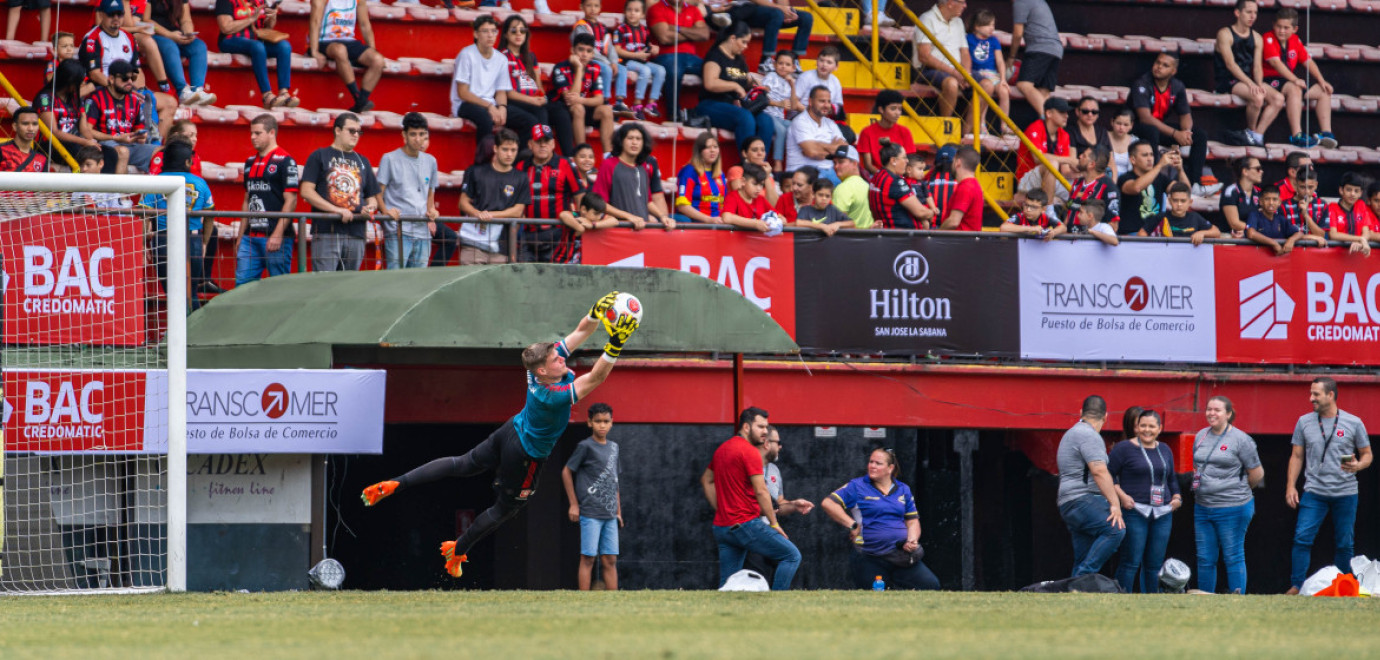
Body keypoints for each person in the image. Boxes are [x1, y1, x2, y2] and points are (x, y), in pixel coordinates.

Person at [361, 293, 641, 579]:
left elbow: (582, 330)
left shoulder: (540, 371)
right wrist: (616, 342)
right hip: (526, 454)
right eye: (557, 358)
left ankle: (395, 483)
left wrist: (595, 312)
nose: (562, 357)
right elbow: (596, 378)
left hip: (511, 431)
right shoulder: (552, 395)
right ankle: (457, 550)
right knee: (505, 509)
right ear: (543, 370)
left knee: (463, 463)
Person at [1286, 377, 1372, 594]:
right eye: (1311, 393)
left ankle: (1343, 586)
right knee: (1302, 538)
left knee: (1344, 543)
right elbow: (1296, 455)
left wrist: (1358, 465)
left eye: (1316, 394)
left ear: (1330, 395)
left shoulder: (1353, 422)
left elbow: (1367, 454)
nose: (1310, 398)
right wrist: (1291, 486)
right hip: (1314, 492)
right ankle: (1296, 586)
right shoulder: (1304, 422)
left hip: (1346, 492)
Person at [700, 407, 801, 591]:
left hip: (723, 528)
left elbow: (706, 480)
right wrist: (774, 523)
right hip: (745, 525)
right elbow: (761, 491)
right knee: (791, 556)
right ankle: (778, 604)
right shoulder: (750, 451)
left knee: (728, 585)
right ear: (746, 427)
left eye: (766, 427)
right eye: (760, 427)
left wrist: (720, 509)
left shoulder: (722, 450)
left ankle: (724, 617)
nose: (765, 432)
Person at [821, 448, 939, 590]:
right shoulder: (857, 486)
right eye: (871, 462)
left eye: (878, 463)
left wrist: (912, 540)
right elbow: (828, 503)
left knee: (931, 586)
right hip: (870, 556)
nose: (872, 466)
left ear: (890, 468)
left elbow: (912, 520)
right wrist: (852, 525)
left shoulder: (903, 489)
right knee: (874, 598)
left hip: (901, 556)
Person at [1193, 396, 1263, 595]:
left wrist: (1234, 491)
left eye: (1217, 410)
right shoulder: (1201, 436)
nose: (1212, 413)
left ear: (1229, 414)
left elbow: (1257, 474)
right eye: (1209, 409)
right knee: (1205, 557)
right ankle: (1205, 598)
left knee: (1232, 555)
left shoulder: (1241, 440)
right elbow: (1198, 466)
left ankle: (1236, 598)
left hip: (1233, 507)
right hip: (1203, 506)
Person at [1108, 409, 1181, 593]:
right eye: (1143, 426)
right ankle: (1122, 597)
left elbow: (1171, 479)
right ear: (1136, 427)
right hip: (1134, 511)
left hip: (1162, 513)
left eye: (1151, 426)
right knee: (1131, 561)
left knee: (1155, 563)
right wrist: (1122, 496)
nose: (1147, 430)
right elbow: (1108, 476)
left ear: (1159, 428)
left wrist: (1177, 497)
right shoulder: (1123, 448)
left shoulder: (1165, 449)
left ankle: (1152, 601)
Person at [299, 112, 381, 272]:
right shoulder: (319, 155)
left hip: (357, 232)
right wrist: (337, 210)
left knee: (349, 286)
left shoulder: (363, 160)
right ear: (337, 130)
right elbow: (306, 191)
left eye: (359, 131)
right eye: (351, 131)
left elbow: (373, 198)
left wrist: (369, 208)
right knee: (325, 284)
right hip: (326, 231)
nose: (356, 135)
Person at [140, 139, 214, 311]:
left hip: (164, 239)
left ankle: (175, 335)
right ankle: (193, 334)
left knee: (171, 295)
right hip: (192, 240)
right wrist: (204, 242)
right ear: (187, 161)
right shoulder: (200, 183)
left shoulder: (156, 181)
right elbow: (210, 215)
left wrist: (144, 242)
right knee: (191, 293)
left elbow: (144, 214)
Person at [1056, 395, 1126, 577]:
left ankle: (1076, 592)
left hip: (1067, 502)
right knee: (1115, 529)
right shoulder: (1089, 435)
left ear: (1081, 413)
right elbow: (1099, 471)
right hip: (1082, 498)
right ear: (1105, 417)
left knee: (1083, 555)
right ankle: (1082, 577)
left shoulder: (1070, 433)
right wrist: (1115, 504)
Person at [1130, 54, 1217, 197]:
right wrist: (1175, 134)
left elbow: (1185, 115)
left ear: (1173, 71)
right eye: (1157, 63)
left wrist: (1186, 132)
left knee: (1200, 135)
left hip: (1159, 127)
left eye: (1165, 65)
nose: (1159, 67)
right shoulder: (1142, 83)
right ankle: (1154, 182)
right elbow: (1145, 118)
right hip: (1137, 126)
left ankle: (1194, 184)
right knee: (1152, 131)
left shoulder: (1177, 86)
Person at [562, 402, 622, 591]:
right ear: (589, 423)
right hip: (590, 512)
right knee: (588, 558)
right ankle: (584, 598)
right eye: (598, 421)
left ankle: (614, 601)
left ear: (612, 423)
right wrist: (574, 504)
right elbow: (566, 471)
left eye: (606, 421)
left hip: (610, 514)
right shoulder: (585, 446)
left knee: (610, 559)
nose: (602, 425)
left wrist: (619, 511)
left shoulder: (614, 448)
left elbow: (615, 481)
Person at [236, 114, 298, 285]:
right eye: (251, 133)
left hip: (276, 237)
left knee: (278, 289)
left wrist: (278, 234)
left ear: (272, 133)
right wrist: (241, 236)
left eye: (257, 133)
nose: (252, 137)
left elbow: (291, 200)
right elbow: (247, 199)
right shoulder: (249, 162)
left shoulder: (286, 161)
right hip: (250, 237)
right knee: (241, 287)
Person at [1264, 8, 1337, 149]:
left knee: (1323, 90)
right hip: (1270, 81)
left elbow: (1308, 61)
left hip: (1288, 81)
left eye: (1286, 28)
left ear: (1295, 29)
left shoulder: (1295, 40)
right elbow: (1275, 63)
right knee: (1295, 87)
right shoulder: (1267, 38)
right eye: (1279, 26)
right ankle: (1297, 134)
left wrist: (1321, 80)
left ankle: (1326, 133)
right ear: (1273, 25)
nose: (1281, 31)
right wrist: (1295, 79)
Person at [500, 15, 572, 158]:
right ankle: (538, 157)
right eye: (514, 31)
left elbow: (537, 83)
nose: (519, 34)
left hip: (532, 100)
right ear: (506, 34)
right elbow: (506, 92)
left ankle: (568, 157)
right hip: (513, 100)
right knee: (539, 112)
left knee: (560, 111)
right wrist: (533, 101)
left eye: (522, 31)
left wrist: (542, 96)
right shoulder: (501, 56)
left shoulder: (530, 56)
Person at [697, 22, 774, 154]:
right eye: (743, 42)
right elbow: (710, 83)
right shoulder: (715, 56)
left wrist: (756, 86)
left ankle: (759, 164)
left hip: (734, 106)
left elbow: (745, 80)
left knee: (766, 121)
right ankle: (747, 163)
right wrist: (734, 85)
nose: (746, 46)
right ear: (732, 38)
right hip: (711, 104)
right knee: (745, 117)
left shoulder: (739, 60)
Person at [1214, 0, 1282, 148]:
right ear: (1238, 13)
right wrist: (1251, 84)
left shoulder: (1257, 37)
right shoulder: (1225, 34)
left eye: (1255, 13)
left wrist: (1258, 83)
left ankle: (1257, 135)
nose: (1253, 16)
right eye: (1249, 12)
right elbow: (1230, 65)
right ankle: (1251, 131)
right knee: (1258, 97)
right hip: (1227, 80)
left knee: (1278, 98)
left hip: (1246, 79)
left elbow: (1257, 67)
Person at [378, 112, 440, 270]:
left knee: (419, 284)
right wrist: (385, 211)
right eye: (413, 134)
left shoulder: (431, 161)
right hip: (398, 230)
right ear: (404, 135)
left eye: (421, 134)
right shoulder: (389, 158)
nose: (418, 139)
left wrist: (432, 211)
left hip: (423, 231)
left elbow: (430, 194)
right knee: (395, 282)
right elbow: (378, 193)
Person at [517, 125, 589, 264]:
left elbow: (580, 196)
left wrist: (580, 222)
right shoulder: (521, 167)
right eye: (538, 141)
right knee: (523, 280)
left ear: (553, 144)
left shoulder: (566, 164)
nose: (543, 145)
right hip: (528, 236)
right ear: (530, 144)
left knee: (554, 280)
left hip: (558, 236)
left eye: (547, 141)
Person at [458, 128, 530, 264]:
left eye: (513, 150)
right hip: (473, 244)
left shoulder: (521, 177)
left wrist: (489, 215)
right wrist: (478, 213)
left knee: (499, 285)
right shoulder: (475, 172)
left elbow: (518, 211)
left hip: (503, 246)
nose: (509, 154)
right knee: (471, 285)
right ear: (495, 148)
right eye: (505, 149)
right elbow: (463, 202)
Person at [79, 59, 159, 173]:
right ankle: (118, 191)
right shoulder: (96, 98)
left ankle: (154, 191)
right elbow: (87, 131)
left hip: (129, 145)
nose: (130, 82)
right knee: (123, 152)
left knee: (162, 151)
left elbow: (139, 128)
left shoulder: (134, 100)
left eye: (132, 78)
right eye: (125, 79)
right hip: (103, 146)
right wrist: (115, 138)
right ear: (111, 79)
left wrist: (140, 137)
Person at [217, 0, 296, 108]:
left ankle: (284, 92)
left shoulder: (261, 1)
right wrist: (251, 19)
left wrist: (272, 17)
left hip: (256, 40)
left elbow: (267, 28)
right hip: (231, 40)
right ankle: (266, 95)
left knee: (284, 47)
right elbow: (225, 27)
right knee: (257, 47)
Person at [594, 123, 675, 230]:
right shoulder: (609, 165)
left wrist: (663, 217)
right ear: (621, 141)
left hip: (642, 232)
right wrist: (629, 217)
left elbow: (648, 202)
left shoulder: (643, 168)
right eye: (630, 138)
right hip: (618, 232)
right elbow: (599, 203)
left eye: (638, 139)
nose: (634, 142)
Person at [549, 33, 618, 158]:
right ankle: (582, 155)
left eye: (588, 51)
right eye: (581, 50)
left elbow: (599, 99)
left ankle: (609, 157)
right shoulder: (560, 68)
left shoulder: (595, 68)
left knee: (606, 110)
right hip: (562, 111)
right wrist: (580, 69)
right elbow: (570, 100)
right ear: (573, 51)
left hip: (581, 107)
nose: (584, 54)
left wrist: (580, 99)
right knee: (578, 108)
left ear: (593, 54)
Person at [308, 0, 383, 113]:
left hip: (348, 40)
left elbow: (365, 24)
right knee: (340, 50)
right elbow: (315, 21)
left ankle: (360, 102)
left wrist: (372, 49)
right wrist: (314, 51)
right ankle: (358, 97)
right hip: (324, 40)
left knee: (378, 60)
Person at [452, 16, 513, 148]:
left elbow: (501, 91)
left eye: (493, 31)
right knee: (486, 119)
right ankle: (482, 163)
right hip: (465, 104)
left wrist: (502, 108)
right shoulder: (466, 54)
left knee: (527, 119)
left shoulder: (501, 59)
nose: (490, 35)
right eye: (485, 31)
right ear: (476, 34)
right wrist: (489, 106)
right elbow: (462, 93)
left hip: (490, 103)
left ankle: (520, 163)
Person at [144, 0, 214, 106]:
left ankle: (197, 91)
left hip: (175, 34)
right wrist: (168, 34)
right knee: (170, 46)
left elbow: (185, 19)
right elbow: (146, 20)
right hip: (155, 33)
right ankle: (183, 92)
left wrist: (188, 33)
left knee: (199, 46)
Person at [649, 0, 712, 113]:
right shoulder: (656, 8)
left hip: (691, 57)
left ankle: (706, 112)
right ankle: (674, 114)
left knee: (712, 69)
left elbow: (704, 34)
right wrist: (692, 33)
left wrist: (677, 28)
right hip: (666, 56)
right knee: (675, 69)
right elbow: (664, 37)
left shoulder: (693, 10)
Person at [912, 0, 969, 120]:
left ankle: (969, 132)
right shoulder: (927, 19)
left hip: (957, 69)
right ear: (950, 3)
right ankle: (945, 126)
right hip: (929, 70)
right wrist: (954, 73)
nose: (965, 6)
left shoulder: (958, 21)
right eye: (962, 2)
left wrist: (966, 74)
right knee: (951, 84)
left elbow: (965, 52)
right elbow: (924, 56)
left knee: (987, 85)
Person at [1117, 141, 1187, 236]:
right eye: (1145, 155)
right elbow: (1136, 187)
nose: (1150, 159)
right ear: (1133, 160)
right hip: (1131, 235)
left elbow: (1185, 191)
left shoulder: (1160, 177)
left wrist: (1180, 170)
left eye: (1151, 155)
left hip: (1156, 234)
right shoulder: (1125, 178)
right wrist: (1159, 165)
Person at [1016, 96, 1077, 204]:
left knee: (1082, 192)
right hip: (1027, 179)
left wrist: (1080, 171)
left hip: (1050, 181)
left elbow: (1065, 170)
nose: (1066, 116)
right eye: (1062, 112)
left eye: (1067, 112)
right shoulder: (1035, 128)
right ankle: (1048, 209)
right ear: (1049, 113)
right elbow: (1038, 158)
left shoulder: (1064, 135)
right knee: (1052, 164)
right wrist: (1069, 160)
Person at [612, 0, 666, 121]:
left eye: (636, 11)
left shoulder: (645, 30)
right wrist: (636, 55)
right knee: (645, 71)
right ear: (625, 12)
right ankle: (637, 104)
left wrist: (653, 49)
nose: (632, 13)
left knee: (661, 70)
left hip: (641, 60)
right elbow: (617, 50)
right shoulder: (620, 29)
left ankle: (651, 103)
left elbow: (646, 47)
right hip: (626, 62)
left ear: (642, 14)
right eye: (629, 10)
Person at [726, 0, 812, 75]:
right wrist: (780, 9)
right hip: (747, 10)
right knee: (777, 14)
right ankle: (765, 61)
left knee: (806, 18)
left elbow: (783, 3)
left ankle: (794, 60)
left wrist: (788, 13)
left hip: (771, 12)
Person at [1009, 0, 1062, 116]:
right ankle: (1048, 130)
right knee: (1044, 92)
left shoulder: (1020, 2)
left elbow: (1018, 33)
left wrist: (1011, 57)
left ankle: (1052, 120)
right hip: (1056, 49)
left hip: (1040, 47)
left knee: (1023, 84)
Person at [786, 86, 848, 185]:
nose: (826, 105)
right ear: (810, 102)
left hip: (830, 171)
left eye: (828, 101)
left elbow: (845, 150)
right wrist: (833, 148)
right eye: (822, 101)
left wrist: (820, 148)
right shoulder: (800, 121)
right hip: (804, 173)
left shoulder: (830, 123)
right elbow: (812, 152)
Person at [869, 140, 935, 230]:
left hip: (887, 233)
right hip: (903, 237)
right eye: (904, 157)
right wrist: (931, 212)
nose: (907, 161)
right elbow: (920, 212)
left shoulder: (876, 176)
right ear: (893, 161)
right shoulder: (895, 181)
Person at [966, 10, 1011, 138]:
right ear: (977, 26)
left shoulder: (993, 40)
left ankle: (1004, 125)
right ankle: (981, 124)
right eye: (988, 25)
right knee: (986, 90)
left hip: (992, 73)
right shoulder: (968, 38)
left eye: (993, 25)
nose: (992, 28)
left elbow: (1000, 61)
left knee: (1004, 91)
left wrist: (1002, 79)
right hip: (977, 73)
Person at [793, 47, 848, 142]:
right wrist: (813, 114)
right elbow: (794, 102)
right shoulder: (805, 77)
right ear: (816, 61)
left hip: (823, 120)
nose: (824, 65)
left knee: (847, 135)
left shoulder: (835, 81)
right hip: (801, 116)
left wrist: (830, 110)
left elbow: (838, 107)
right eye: (821, 60)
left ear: (836, 67)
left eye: (829, 62)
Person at [1138, 182, 1221, 246]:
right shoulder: (1160, 217)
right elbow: (1141, 233)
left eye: (1183, 201)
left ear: (1190, 202)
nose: (1179, 204)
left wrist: (1202, 233)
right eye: (1175, 200)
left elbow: (1216, 232)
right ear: (1169, 201)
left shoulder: (1195, 217)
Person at [1244, 185, 1319, 255]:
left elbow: (1299, 233)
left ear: (1279, 202)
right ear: (1260, 201)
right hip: (1256, 260)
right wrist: (1273, 243)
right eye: (1267, 199)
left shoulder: (1281, 219)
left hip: (1277, 262)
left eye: (1274, 199)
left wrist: (1291, 240)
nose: (1271, 203)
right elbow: (1251, 234)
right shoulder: (1254, 215)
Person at [857, 90, 916, 178]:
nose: (897, 113)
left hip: (901, 176)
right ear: (881, 109)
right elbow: (868, 165)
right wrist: (886, 177)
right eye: (893, 108)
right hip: (876, 176)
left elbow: (909, 160)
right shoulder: (867, 132)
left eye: (899, 109)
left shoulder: (905, 132)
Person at [761, 51, 803, 170]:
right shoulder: (771, 77)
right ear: (774, 64)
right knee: (781, 130)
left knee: (794, 127)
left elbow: (794, 106)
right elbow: (762, 97)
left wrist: (793, 85)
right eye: (780, 63)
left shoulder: (789, 82)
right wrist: (778, 103)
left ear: (793, 68)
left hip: (779, 117)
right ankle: (778, 163)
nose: (783, 66)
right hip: (767, 114)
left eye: (787, 64)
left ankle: (795, 163)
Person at [572, 0, 617, 110]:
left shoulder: (603, 27)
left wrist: (614, 62)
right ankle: (605, 100)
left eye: (596, 6)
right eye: (589, 5)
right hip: (591, 59)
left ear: (600, 7)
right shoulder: (581, 26)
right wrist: (608, 63)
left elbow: (610, 47)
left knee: (622, 69)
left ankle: (619, 101)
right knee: (607, 69)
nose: (593, 9)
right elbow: (588, 49)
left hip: (605, 60)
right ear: (581, 7)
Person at [674, 132, 728, 224]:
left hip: (719, 224)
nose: (712, 150)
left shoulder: (720, 174)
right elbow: (682, 206)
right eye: (707, 147)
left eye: (715, 147)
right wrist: (709, 219)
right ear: (699, 151)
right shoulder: (689, 171)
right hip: (696, 224)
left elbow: (724, 205)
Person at [1065, 145, 1120, 232]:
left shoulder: (1108, 187)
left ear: (1091, 164)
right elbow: (1069, 215)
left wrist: (1090, 236)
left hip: (1090, 243)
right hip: (1070, 241)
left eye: (1084, 155)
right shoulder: (1077, 183)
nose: (1080, 156)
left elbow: (1113, 226)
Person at [1325, 173, 1376, 256]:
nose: (1352, 194)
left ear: (1360, 193)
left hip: (1357, 255)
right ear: (1341, 190)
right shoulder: (1332, 207)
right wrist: (1360, 239)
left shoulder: (1361, 205)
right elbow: (1333, 235)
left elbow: (1366, 232)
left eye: (1356, 191)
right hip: (1336, 255)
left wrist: (1361, 242)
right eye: (1349, 190)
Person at [938, 146, 983, 231]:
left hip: (960, 242)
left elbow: (953, 222)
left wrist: (936, 234)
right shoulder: (974, 185)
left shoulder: (966, 187)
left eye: (953, 161)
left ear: (958, 162)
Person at [721, 164, 776, 232]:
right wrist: (755, 223)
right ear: (743, 181)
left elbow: (780, 217)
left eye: (761, 184)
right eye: (755, 184)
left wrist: (775, 222)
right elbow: (727, 217)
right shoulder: (732, 196)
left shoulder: (761, 199)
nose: (759, 189)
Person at [831, 146, 875, 229]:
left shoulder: (843, 188)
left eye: (841, 162)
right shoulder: (868, 185)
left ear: (855, 164)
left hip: (848, 240)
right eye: (834, 163)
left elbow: (837, 223)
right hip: (868, 239)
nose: (836, 166)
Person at [1278, 166, 1328, 237]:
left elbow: (1321, 235)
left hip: (1314, 248)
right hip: (1293, 248)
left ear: (1316, 185)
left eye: (1310, 187)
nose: (1307, 191)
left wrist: (1305, 214)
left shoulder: (1322, 205)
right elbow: (1283, 235)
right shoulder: (1283, 206)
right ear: (1296, 185)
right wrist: (1308, 237)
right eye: (1302, 187)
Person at [1219, 156, 1262, 237]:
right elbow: (1234, 224)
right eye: (1258, 169)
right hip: (1231, 237)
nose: (1261, 171)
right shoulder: (1231, 192)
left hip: (1253, 235)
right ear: (1245, 171)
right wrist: (1257, 229)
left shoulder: (1259, 193)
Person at [736, 136, 783, 205]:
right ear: (744, 153)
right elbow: (740, 199)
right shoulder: (737, 170)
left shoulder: (767, 173)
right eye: (755, 150)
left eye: (763, 150)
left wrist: (766, 176)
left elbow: (774, 204)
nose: (760, 153)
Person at [0, 107, 49, 173]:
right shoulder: (2, 150)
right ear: (14, 126)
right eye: (25, 124)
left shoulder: (42, 159)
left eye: (34, 124)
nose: (31, 129)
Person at [1107, 108, 1137, 181]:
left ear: (1131, 125)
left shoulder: (1135, 142)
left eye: (1126, 125)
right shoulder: (1103, 137)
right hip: (1106, 178)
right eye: (1118, 123)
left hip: (1127, 180)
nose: (1121, 127)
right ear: (1112, 122)